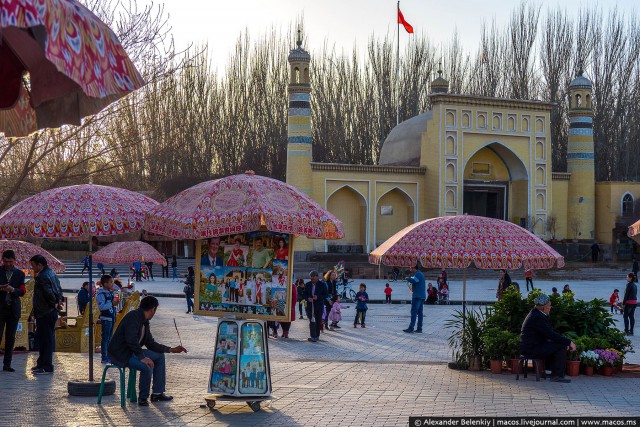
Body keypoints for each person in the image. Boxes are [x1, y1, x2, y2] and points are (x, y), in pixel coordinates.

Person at [107, 296, 188, 406]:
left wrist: (171, 349)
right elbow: (131, 340)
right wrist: (143, 358)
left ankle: (157, 393)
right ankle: (143, 398)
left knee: (159, 356)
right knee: (147, 365)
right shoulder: (133, 317)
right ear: (153, 309)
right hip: (121, 354)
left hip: (134, 352)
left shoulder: (144, 321)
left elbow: (150, 343)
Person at [520, 294, 576, 383]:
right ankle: (556, 376)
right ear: (544, 307)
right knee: (561, 347)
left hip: (532, 346)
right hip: (532, 348)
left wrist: (564, 341)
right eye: (549, 306)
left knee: (556, 345)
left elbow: (549, 333)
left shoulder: (536, 314)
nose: (550, 307)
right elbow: (550, 334)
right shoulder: (537, 317)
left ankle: (551, 372)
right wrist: (568, 342)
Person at [30, 254, 63, 375]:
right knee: (44, 338)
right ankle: (41, 363)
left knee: (46, 340)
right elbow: (59, 289)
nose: (32, 268)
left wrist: (54, 303)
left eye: (33, 266)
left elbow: (48, 293)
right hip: (49, 311)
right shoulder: (52, 273)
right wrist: (58, 302)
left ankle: (46, 365)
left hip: (45, 312)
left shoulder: (42, 276)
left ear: (40, 265)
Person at [0, 250, 26, 372]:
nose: (8, 264)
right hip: (0, 308)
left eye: (10, 262)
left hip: (13, 309)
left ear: (14, 261)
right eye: (5, 261)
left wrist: (12, 290)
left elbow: (22, 291)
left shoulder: (20, 274)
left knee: (10, 337)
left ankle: (7, 364)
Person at [97, 274, 117, 364]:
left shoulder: (110, 292)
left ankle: (109, 355)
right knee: (105, 338)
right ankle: (104, 356)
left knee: (110, 338)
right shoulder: (101, 294)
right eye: (110, 282)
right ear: (105, 284)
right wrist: (111, 304)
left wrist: (115, 303)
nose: (112, 284)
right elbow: (101, 307)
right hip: (106, 318)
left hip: (112, 317)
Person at [303, 270, 327, 342]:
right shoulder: (307, 284)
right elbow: (304, 294)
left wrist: (318, 297)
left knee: (318, 321)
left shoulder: (322, 284)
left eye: (313, 277)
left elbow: (325, 295)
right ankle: (313, 336)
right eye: (311, 277)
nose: (312, 279)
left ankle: (317, 335)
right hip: (310, 306)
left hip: (319, 305)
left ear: (317, 277)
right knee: (311, 321)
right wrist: (308, 298)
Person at [404, 264, 426, 333]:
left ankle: (411, 328)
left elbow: (415, 281)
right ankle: (419, 328)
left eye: (411, 268)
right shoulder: (420, 274)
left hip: (417, 296)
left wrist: (407, 278)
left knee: (414, 312)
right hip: (421, 296)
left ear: (414, 268)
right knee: (420, 313)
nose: (410, 269)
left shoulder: (418, 274)